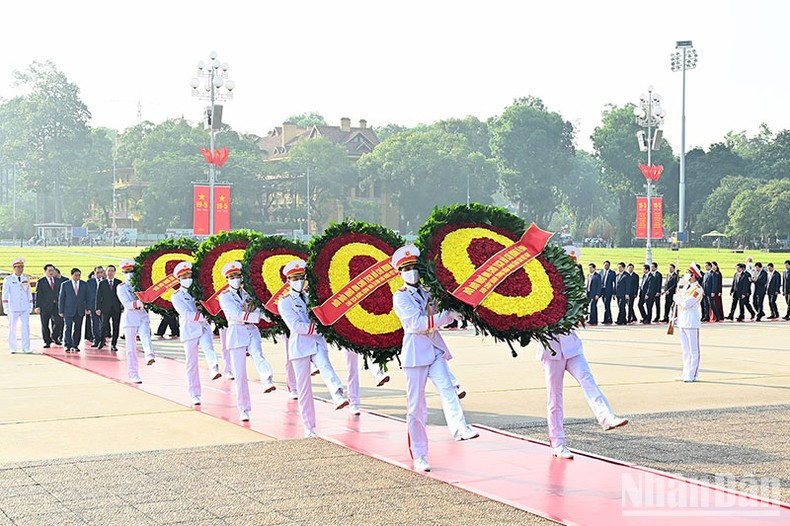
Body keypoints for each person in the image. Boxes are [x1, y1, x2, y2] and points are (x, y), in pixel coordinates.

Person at [391, 245, 478, 472]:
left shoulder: (429, 290)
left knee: (448, 388)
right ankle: (420, 454)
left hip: (434, 349)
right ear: (400, 273)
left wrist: (456, 310)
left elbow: (441, 312)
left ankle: (460, 427)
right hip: (415, 354)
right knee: (416, 407)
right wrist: (445, 316)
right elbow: (416, 324)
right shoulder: (400, 297)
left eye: (414, 267)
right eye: (406, 269)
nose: (411, 272)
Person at [279, 259, 349, 433]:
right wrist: (321, 328)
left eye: (301, 277)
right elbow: (296, 326)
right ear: (288, 281)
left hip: (317, 343)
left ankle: (337, 395)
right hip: (300, 346)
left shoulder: (311, 296)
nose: (299, 281)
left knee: (325, 365)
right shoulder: (285, 301)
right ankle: (309, 427)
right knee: (304, 389)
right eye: (295, 278)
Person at [536, 330, 629, 459]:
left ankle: (607, 417)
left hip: (572, 348)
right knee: (555, 397)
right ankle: (558, 443)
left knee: (588, 381)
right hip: (552, 351)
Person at [218, 261, 277, 422]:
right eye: (232, 277)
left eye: (237, 276)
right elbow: (234, 314)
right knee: (240, 374)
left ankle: (267, 379)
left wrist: (268, 316)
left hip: (251, 330)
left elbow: (257, 309)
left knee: (258, 355)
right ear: (227, 279)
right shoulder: (224, 296)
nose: (235, 279)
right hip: (236, 332)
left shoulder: (248, 294)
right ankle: (244, 409)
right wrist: (258, 317)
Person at [170, 262, 221, 406]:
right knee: (191, 364)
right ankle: (195, 394)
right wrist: (206, 316)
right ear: (179, 278)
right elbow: (186, 314)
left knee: (208, 348)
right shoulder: (176, 296)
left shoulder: (199, 291)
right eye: (184, 276)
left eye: (189, 275)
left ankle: (214, 368)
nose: (187, 278)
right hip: (190, 330)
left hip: (203, 328)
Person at [117, 259, 156, 383]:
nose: (129, 274)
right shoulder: (121, 288)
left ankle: (149, 355)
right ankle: (134, 374)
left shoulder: (141, 285)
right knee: (131, 349)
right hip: (130, 319)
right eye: (126, 272)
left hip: (142, 316)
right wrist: (141, 303)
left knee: (145, 336)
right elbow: (127, 304)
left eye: (131, 271)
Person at [672, 263, 704, 382]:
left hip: (691, 320)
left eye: (688, 273)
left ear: (693, 275)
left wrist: (678, 299)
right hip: (682, 320)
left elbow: (687, 303)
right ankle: (685, 372)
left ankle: (692, 374)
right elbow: (681, 304)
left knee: (693, 349)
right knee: (685, 349)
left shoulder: (698, 289)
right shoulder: (686, 287)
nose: (686, 275)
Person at [3, 258, 33, 354]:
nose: (21, 269)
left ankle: (26, 347)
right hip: (13, 306)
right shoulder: (8, 279)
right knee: (12, 328)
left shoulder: (25, 278)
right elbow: (5, 294)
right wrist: (6, 307)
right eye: (18, 267)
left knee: (26, 327)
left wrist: (30, 304)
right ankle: (13, 347)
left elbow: (28, 292)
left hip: (24, 306)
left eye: (22, 267)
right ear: (14, 268)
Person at [58, 268, 88, 353]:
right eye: (76, 275)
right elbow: (61, 298)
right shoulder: (65, 284)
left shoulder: (84, 284)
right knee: (68, 327)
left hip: (80, 310)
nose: (77, 277)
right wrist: (61, 310)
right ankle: (68, 345)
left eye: (79, 275)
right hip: (68, 310)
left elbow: (87, 297)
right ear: (72, 275)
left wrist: (87, 308)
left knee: (78, 328)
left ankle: (75, 345)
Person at [96, 265, 123, 352]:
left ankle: (114, 344)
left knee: (116, 327)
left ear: (114, 272)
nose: (110, 273)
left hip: (116, 308)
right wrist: (97, 308)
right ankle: (102, 341)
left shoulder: (119, 283)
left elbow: (122, 296)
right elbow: (98, 296)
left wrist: (122, 306)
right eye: (109, 271)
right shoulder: (102, 283)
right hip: (105, 308)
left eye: (112, 271)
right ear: (106, 272)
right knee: (103, 326)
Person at [34, 264, 60, 349]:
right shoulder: (41, 281)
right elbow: (38, 294)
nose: (51, 272)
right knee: (45, 324)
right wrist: (37, 306)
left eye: (52, 270)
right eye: (49, 271)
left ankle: (54, 336)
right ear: (45, 271)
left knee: (58, 322)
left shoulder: (57, 281)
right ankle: (47, 341)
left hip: (56, 305)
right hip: (45, 306)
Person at [85, 266, 105, 347]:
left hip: (104, 307)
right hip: (93, 306)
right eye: (97, 272)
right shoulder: (89, 282)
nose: (99, 274)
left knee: (104, 324)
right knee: (95, 324)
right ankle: (96, 340)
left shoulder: (106, 281)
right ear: (94, 273)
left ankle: (102, 340)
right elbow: (86, 295)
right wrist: (87, 307)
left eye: (101, 272)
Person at [599, 261, 616, 325]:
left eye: (608, 265)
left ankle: (606, 319)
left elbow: (615, 283)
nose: (606, 266)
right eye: (605, 265)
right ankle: (609, 318)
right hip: (602, 290)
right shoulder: (600, 272)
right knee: (606, 305)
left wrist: (614, 292)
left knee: (607, 304)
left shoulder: (612, 273)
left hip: (609, 291)